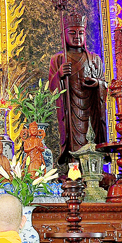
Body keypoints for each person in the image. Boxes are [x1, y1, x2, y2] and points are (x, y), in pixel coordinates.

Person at [48, 12, 108, 165]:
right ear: (64, 36)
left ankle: (94, 167)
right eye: (72, 33)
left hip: (91, 111)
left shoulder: (95, 59)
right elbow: (52, 90)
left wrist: (97, 84)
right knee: (74, 146)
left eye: (81, 33)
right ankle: (74, 168)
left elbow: (104, 85)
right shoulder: (58, 59)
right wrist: (59, 75)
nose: (77, 37)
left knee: (92, 140)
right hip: (71, 113)